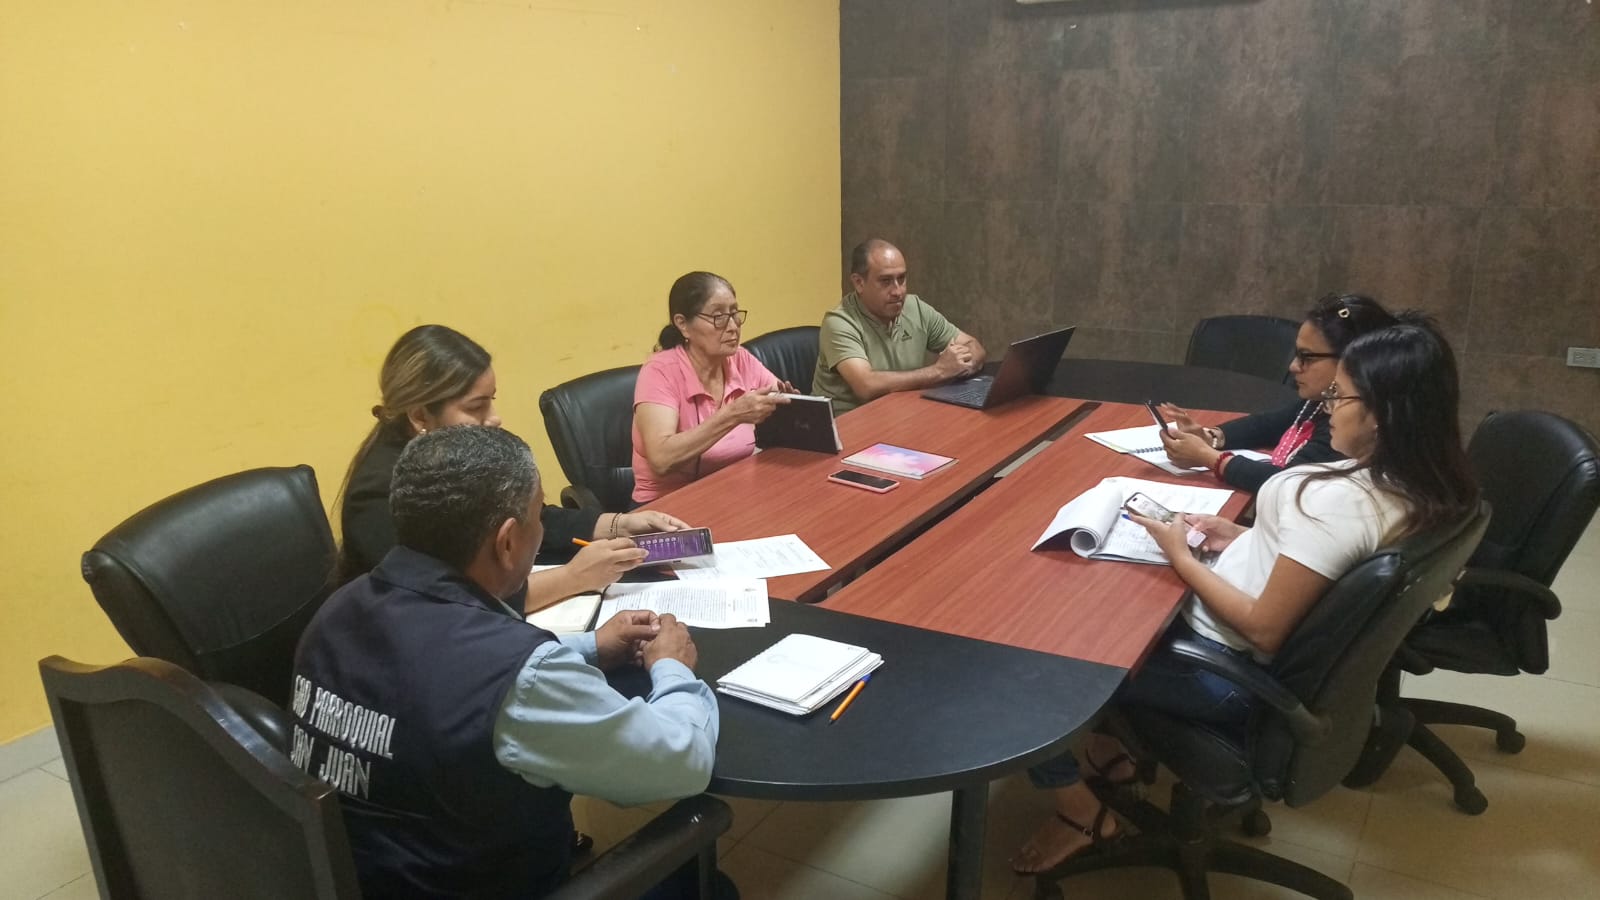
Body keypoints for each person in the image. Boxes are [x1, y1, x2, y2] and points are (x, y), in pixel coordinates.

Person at [1011, 320, 1478, 874]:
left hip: (1223, 673)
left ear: (1381, 413)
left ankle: (1079, 812)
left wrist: (1183, 558)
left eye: (1341, 395)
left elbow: (1263, 628)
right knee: (1093, 594)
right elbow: (1320, 567)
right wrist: (1240, 537)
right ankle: (1112, 753)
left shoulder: (1337, 506)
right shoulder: (1421, 486)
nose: (1327, 407)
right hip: (1253, 654)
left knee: (1026, 655)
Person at [292, 425, 719, 898]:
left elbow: (429, 677)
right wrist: (672, 667)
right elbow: (684, 762)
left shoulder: (337, 610)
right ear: (508, 542)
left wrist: (591, 647)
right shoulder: (516, 677)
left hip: (363, 879)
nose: (543, 531)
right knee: (708, 884)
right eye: (539, 517)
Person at [337, 325, 690, 610]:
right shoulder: (380, 495)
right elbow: (446, 603)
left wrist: (617, 524)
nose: (494, 418)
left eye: (491, 401)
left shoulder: (456, 457)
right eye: (476, 407)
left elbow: (526, 516)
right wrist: (573, 578)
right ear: (419, 416)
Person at [1157, 294, 1398, 492]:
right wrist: (1210, 437)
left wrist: (1207, 457)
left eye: (1306, 357)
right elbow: (1269, 424)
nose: (1293, 366)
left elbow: (1288, 484)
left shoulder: (1352, 428)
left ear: (1351, 360)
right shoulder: (1319, 401)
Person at [632, 271, 791, 504]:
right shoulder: (660, 371)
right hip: (667, 504)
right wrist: (733, 414)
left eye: (734, 314)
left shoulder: (740, 359)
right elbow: (662, 459)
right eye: (719, 317)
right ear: (683, 324)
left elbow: (781, 401)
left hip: (733, 491)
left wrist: (792, 410)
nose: (733, 327)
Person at [811, 238, 987, 415]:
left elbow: (973, 346)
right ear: (859, 283)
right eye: (885, 281)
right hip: (849, 423)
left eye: (901, 279)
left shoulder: (915, 308)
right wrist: (940, 371)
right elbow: (866, 385)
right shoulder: (840, 322)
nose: (898, 291)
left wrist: (962, 365)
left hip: (899, 415)